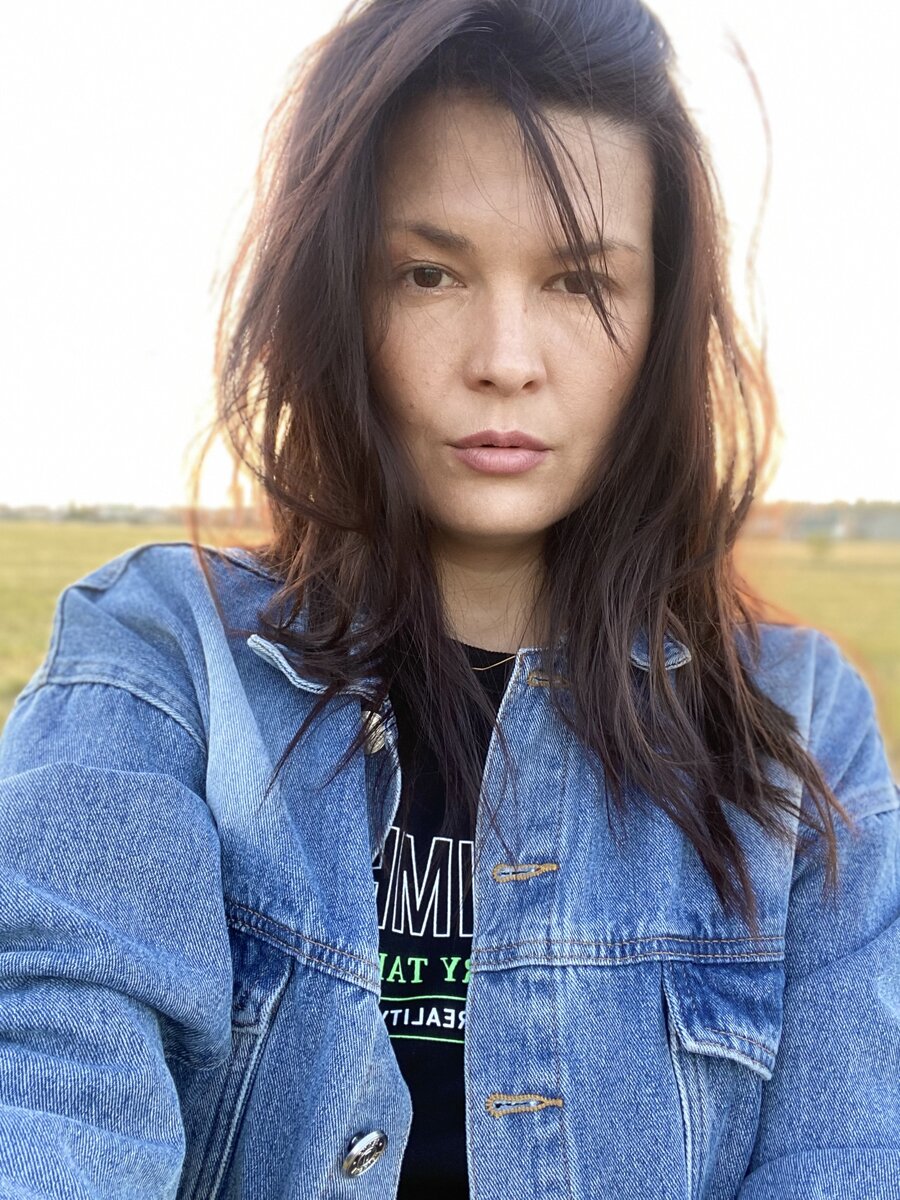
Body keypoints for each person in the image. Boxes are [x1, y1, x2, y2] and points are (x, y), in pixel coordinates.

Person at [0, 0, 898, 1195]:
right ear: (339, 297)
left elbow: (852, 1156)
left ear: (662, 320)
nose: (505, 359)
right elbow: (53, 1081)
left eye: (580, 283)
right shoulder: (164, 664)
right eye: (430, 273)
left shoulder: (797, 724)